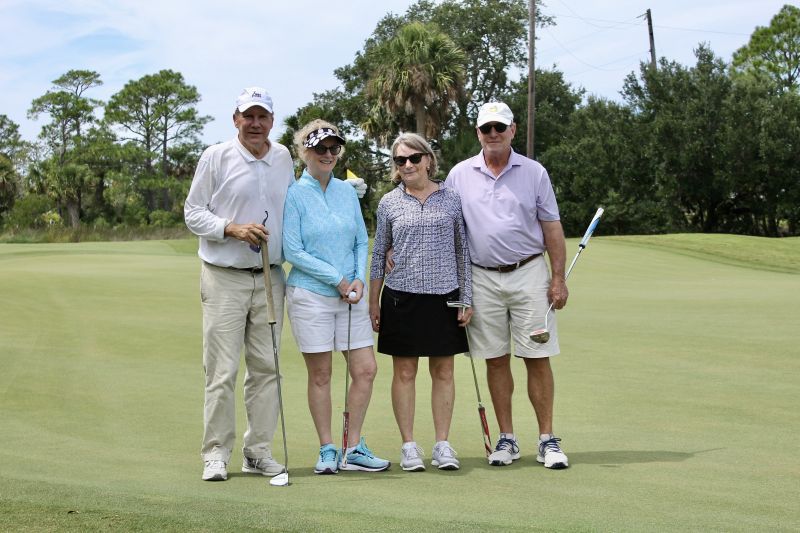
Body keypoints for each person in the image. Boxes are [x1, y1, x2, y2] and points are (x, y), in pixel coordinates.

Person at [444, 102, 570, 469]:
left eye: (500, 127)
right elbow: (446, 227)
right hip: (481, 276)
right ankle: (507, 439)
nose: (494, 134)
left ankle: (547, 439)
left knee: (537, 356)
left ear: (513, 130)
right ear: (478, 133)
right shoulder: (459, 174)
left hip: (529, 271)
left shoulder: (534, 172)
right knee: (496, 360)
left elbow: (551, 227)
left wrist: (558, 278)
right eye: (487, 129)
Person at [184, 87, 294, 482]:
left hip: (270, 277)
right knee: (222, 370)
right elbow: (192, 213)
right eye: (248, 116)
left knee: (267, 369)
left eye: (262, 116)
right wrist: (230, 228)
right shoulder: (216, 157)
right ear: (235, 119)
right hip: (224, 276)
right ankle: (215, 453)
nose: (255, 124)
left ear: (272, 121)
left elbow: (291, 210)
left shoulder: (283, 157)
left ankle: (258, 451)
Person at [282, 119, 390, 475]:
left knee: (365, 369)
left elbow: (362, 239)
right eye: (320, 148)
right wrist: (339, 280)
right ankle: (327, 448)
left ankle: (353, 446)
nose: (328, 154)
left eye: (333, 148)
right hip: (311, 294)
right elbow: (294, 251)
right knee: (322, 375)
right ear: (304, 152)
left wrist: (357, 279)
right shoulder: (295, 194)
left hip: (351, 295)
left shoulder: (346, 191)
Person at [370, 133, 473, 472]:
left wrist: (465, 298)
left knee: (443, 371)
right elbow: (377, 254)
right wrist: (374, 302)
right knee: (404, 372)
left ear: (428, 159)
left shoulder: (451, 198)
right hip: (401, 298)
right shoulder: (389, 202)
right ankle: (409, 445)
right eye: (400, 161)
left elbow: (462, 251)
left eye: (414, 158)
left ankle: (442, 444)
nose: (408, 165)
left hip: (444, 296)